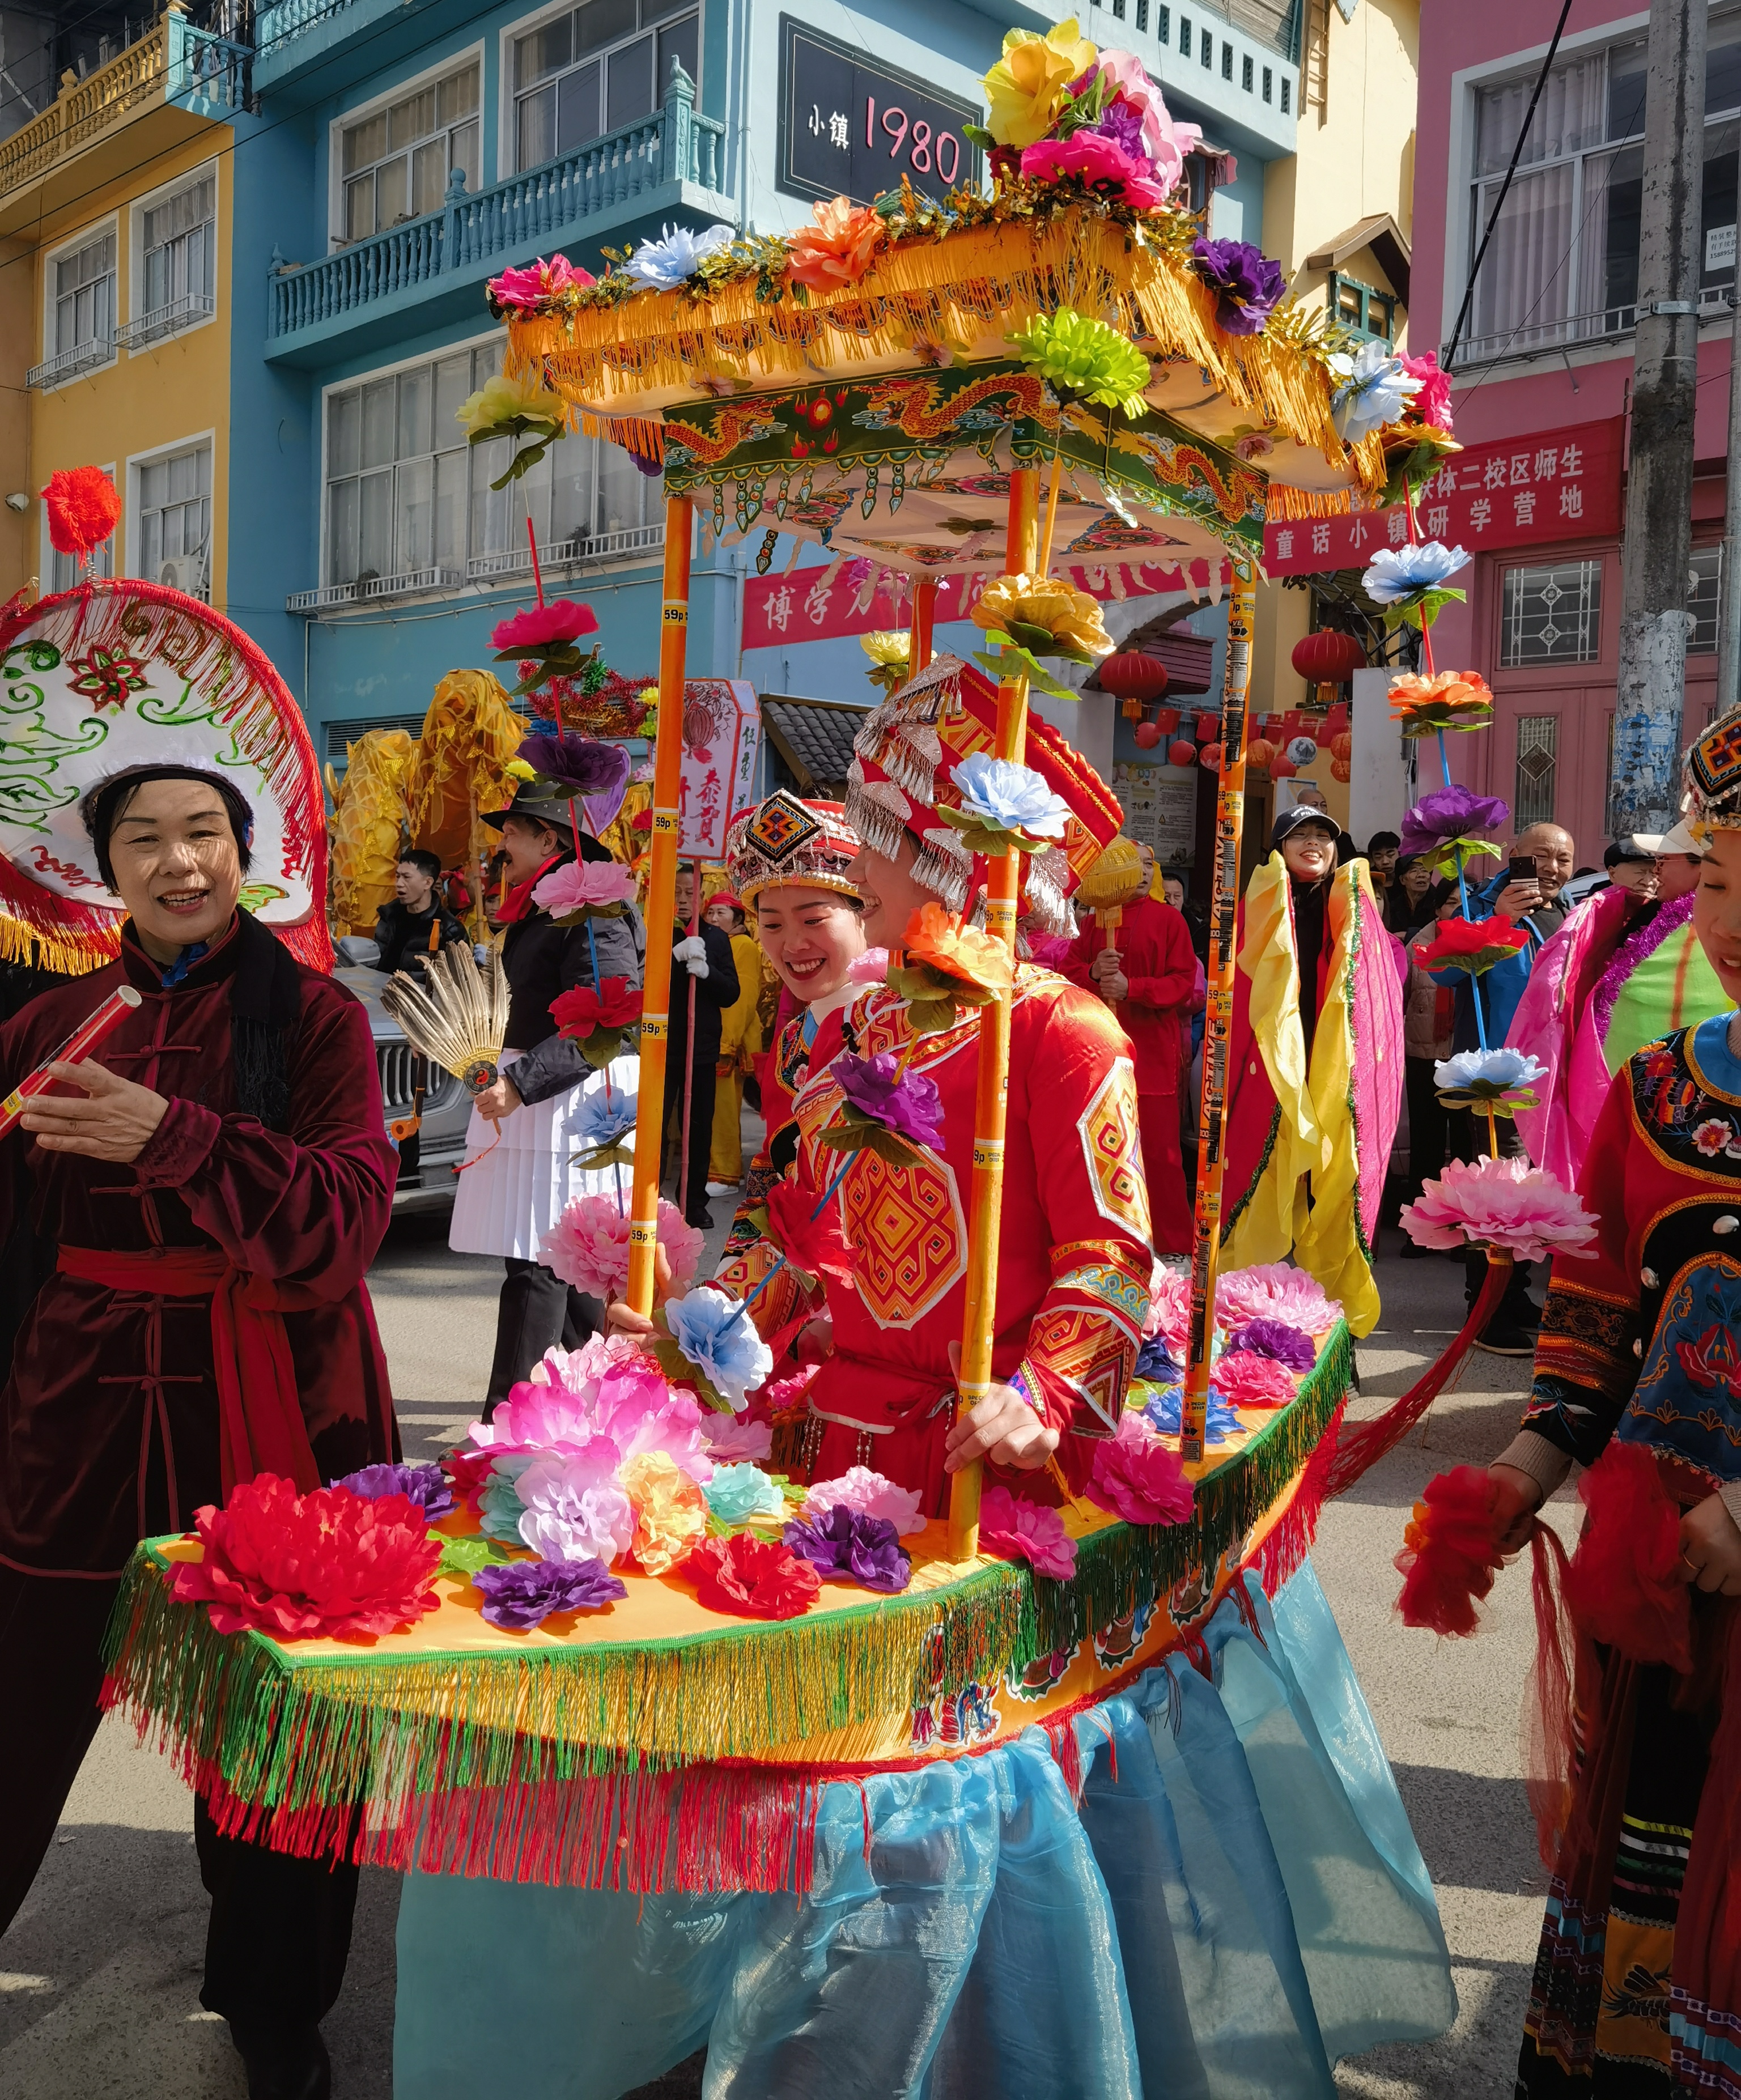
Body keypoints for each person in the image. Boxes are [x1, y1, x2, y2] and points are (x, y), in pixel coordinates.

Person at [0, 764, 399, 2099]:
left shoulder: (320, 1019)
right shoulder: (49, 1022)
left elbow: (344, 1224)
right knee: (15, 1695)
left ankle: (277, 2002)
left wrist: (172, 1135)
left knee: (277, 1721)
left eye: (204, 835)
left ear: (246, 850)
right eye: (145, 841)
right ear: (103, 869)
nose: (180, 863)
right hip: (72, 1400)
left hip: (275, 1395)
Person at [1482, 712, 1741, 2097]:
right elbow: (1592, 1322)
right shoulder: (1656, 1092)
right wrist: (1515, 1472)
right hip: (1663, 1600)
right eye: (1714, 877)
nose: (1732, 915)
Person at [449, 780, 643, 1412]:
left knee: (541, 1264)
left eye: (513, 831)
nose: (502, 843)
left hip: (569, 1104)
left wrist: (522, 1081)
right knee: (571, 1272)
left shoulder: (593, 908)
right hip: (546, 1102)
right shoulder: (550, 904)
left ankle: (513, 1423)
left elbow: (606, 1019)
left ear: (551, 840)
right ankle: (588, 1408)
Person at [1220, 804, 1405, 1337]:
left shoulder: (1355, 908)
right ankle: (1244, 1317)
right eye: (1301, 833)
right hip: (1270, 1069)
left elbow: (1384, 984)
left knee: (1332, 1181)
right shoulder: (1252, 906)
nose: (1315, 843)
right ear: (1279, 846)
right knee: (1260, 1180)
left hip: (1333, 1069)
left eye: (1324, 835)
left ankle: (1327, 1322)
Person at [710, 793, 868, 1338]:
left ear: (866, 910)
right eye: (771, 924)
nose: (791, 944)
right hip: (810, 1307)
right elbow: (775, 1190)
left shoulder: (923, 1030)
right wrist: (724, 1310)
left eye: (814, 918)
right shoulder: (794, 1043)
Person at [1510, 818, 1726, 1194]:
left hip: (1674, 1110)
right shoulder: (1648, 915)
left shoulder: (1707, 931)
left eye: (1663, 861)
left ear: (1701, 866)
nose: (1654, 870)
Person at [1064, 838, 1197, 1254]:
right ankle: (1109, 1235)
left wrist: (1132, 988)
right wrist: (1091, 970)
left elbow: (1183, 983)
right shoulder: (1093, 922)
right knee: (1101, 1146)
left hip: (1153, 1053)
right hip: (1099, 1052)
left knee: (1159, 1152)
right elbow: (1066, 971)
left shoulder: (1169, 921)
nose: (1142, 872)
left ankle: (1173, 1240)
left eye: (1148, 864)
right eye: (1133, 864)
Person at [663, 865, 739, 1229]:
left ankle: (693, 1201)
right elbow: (643, 985)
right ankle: (648, 1198)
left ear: (701, 895)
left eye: (688, 892)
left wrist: (706, 972)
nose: (681, 899)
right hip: (663, 1044)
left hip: (702, 1045)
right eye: (676, 891)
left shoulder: (716, 938)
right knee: (656, 1123)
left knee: (698, 1125)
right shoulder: (656, 932)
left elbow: (731, 993)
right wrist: (673, 959)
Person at [1398, 883, 1458, 1257]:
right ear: (1437, 909)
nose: (1459, 909)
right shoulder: (1417, 946)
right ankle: (1421, 1232)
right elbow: (1398, 999)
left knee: (1466, 1152)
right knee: (1426, 1150)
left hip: (1464, 1060)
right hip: (1423, 1059)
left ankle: (1461, 1234)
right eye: (1451, 902)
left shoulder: (1479, 946)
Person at [702, 889, 763, 1197]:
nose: (713, 919)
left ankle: (725, 1175)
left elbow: (744, 997)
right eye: (710, 914)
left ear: (738, 919)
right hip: (713, 1035)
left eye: (721, 914)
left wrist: (727, 1042)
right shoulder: (719, 945)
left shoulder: (743, 946)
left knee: (723, 1110)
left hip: (728, 1038)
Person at [371, 848, 469, 979]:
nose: (399, 884)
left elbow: (458, 980)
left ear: (428, 883)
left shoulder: (449, 929)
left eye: (407, 877)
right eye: (398, 876)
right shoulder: (389, 916)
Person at [1386, 852, 1437, 937]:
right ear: (1402, 880)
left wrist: (1408, 935)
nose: (1421, 875)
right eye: (1414, 871)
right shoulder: (1394, 906)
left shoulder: (1439, 903)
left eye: (1425, 870)